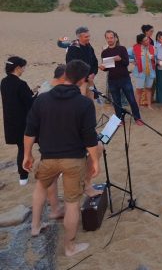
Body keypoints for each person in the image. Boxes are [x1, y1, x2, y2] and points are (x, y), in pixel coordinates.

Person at [22, 60, 103, 257]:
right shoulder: (84, 103)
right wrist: (95, 161)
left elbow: (30, 130)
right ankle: (69, 247)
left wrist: (27, 154)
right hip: (73, 160)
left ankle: (35, 226)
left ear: (65, 75)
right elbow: (89, 137)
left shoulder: (42, 99)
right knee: (72, 203)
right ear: (83, 79)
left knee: (40, 187)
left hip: (48, 157)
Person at [1, 57, 37, 185]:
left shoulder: (4, 82)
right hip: (25, 122)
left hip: (11, 122)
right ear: (17, 68)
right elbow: (29, 103)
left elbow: (16, 98)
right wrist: (37, 95)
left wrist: (31, 92)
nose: (24, 70)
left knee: (22, 148)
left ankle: (23, 177)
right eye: (23, 67)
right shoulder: (20, 84)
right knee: (43, 143)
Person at [100, 30, 143, 123]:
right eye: (107, 38)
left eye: (111, 37)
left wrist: (120, 59)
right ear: (105, 39)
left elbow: (126, 63)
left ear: (115, 38)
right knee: (116, 102)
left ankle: (137, 118)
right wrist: (102, 68)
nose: (110, 40)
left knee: (131, 99)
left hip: (124, 79)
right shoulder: (104, 52)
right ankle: (120, 119)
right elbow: (107, 68)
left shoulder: (122, 49)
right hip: (112, 80)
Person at [65, 26, 98, 97]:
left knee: (90, 102)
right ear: (79, 37)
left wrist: (94, 73)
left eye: (89, 36)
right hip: (80, 81)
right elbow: (71, 66)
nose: (88, 38)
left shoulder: (89, 46)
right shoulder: (73, 48)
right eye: (86, 37)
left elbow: (95, 61)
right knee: (81, 101)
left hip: (90, 80)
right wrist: (83, 77)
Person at [132, 33, 156, 110]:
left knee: (149, 88)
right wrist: (133, 61)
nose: (147, 41)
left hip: (150, 72)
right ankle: (137, 106)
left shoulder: (153, 47)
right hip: (140, 72)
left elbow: (157, 58)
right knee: (139, 89)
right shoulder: (135, 48)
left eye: (147, 39)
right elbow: (125, 56)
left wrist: (153, 58)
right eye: (145, 40)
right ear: (141, 42)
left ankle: (149, 105)